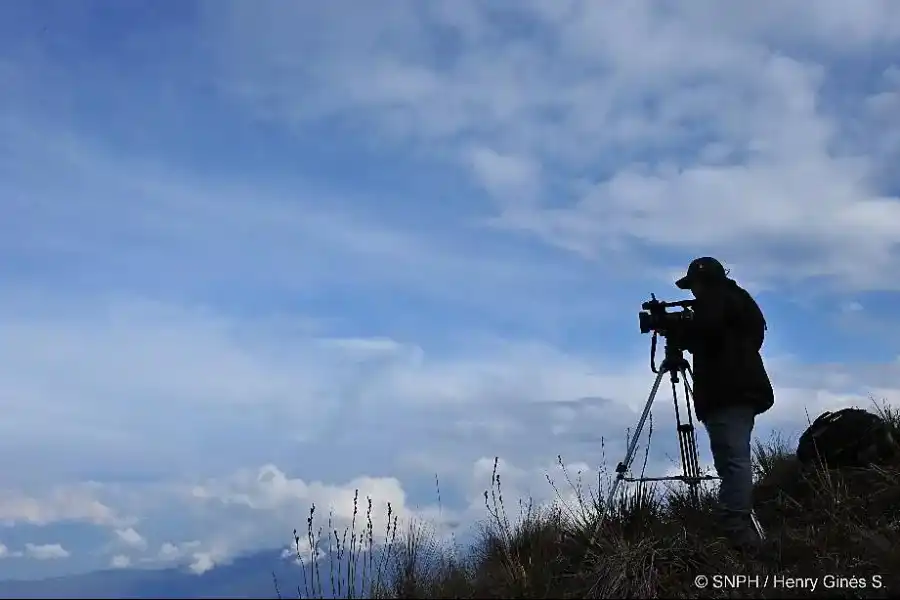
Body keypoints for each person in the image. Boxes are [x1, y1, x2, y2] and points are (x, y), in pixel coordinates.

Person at [674, 257, 774, 551]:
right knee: (732, 460)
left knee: (733, 461)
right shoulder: (738, 301)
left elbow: (706, 332)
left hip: (728, 393)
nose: (693, 294)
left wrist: (682, 332)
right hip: (740, 391)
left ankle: (737, 530)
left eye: (694, 287)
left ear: (703, 283)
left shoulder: (717, 300)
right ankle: (737, 523)